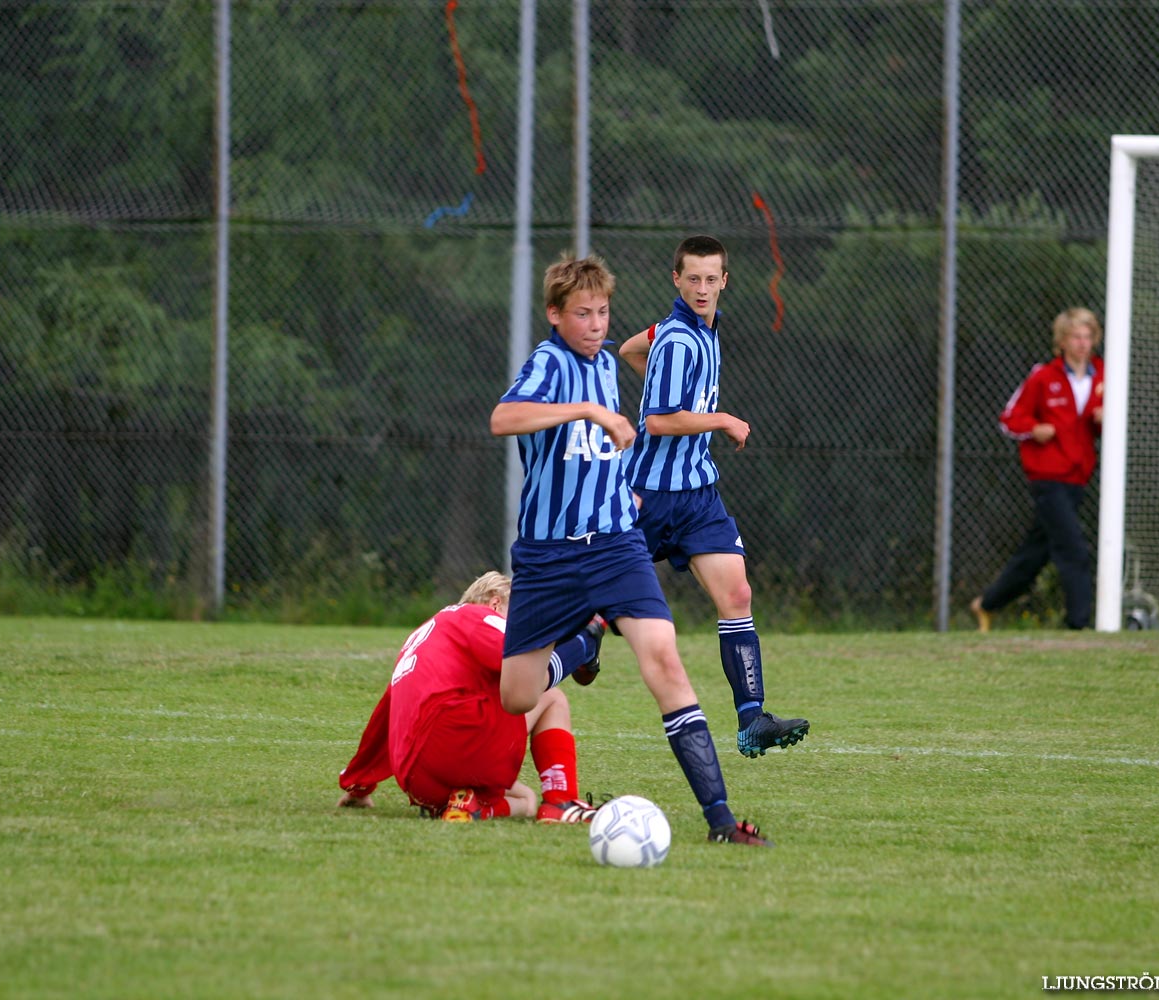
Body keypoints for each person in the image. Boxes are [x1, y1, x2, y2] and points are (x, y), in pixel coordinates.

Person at [489, 251, 771, 847]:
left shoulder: (605, 365)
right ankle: (584, 641)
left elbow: (596, 456)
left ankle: (721, 820)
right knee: (516, 695)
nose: (595, 325)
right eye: (583, 315)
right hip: (548, 557)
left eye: (603, 313)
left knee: (664, 662)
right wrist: (590, 410)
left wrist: (624, 494)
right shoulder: (551, 364)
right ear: (555, 315)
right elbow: (502, 417)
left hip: (617, 547)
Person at [617, 234, 809, 758]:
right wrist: (721, 418)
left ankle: (752, 721)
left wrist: (658, 376)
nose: (702, 288)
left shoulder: (698, 330)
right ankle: (554, 663)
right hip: (650, 496)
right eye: (692, 278)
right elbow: (657, 419)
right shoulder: (679, 339)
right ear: (675, 279)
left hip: (698, 495)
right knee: (594, 606)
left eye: (711, 278)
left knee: (737, 595)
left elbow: (630, 349)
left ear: (724, 281)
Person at [336, 571, 605, 823]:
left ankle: (473, 806)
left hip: (420, 780)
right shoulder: (476, 616)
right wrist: (584, 643)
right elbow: (531, 674)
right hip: (458, 746)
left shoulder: (420, 638)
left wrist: (357, 787)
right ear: (496, 603)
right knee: (552, 698)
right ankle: (561, 801)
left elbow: (381, 724)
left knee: (526, 799)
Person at [969, 307, 1106, 632]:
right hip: (1048, 478)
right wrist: (1035, 429)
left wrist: (1104, 420)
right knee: (1073, 548)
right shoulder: (1043, 377)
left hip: (1079, 475)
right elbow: (1009, 419)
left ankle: (987, 604)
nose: (1083, 343)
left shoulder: (1104, 375)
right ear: (1062, 341)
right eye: (1076, 336)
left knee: (1036, 553)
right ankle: (1078, 626)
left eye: (1088, 336)